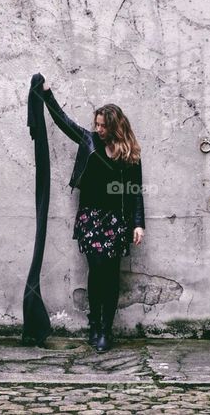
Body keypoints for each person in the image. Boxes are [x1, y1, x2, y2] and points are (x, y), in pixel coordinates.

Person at [40, 79, 146, 353]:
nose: (98, 129)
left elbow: (135, 191)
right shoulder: (88, 140)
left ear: (115, 126)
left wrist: (137, 224)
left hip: (116, 221)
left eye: (103, 125)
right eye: (96, 124)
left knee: (110, 276)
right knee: (97, 270)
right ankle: (95, 325)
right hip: (90, 217)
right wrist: (47, 95)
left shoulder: (130, 154)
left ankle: (105, 329)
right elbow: (64, 123)